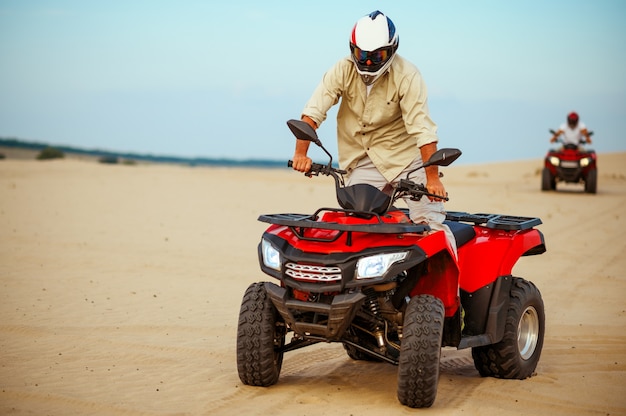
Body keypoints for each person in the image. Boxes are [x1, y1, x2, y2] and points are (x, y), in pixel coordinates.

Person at [290, 10, 457, 255]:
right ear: (352, 49)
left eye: (377, 55)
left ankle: (450, 289)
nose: (368, 61)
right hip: (361, 160)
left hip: (406, 160)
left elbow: (422, 129)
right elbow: (313, 112)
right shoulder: (342, 69)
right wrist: (300, 154)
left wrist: (432, 179)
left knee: (430, 226)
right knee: (355, 229)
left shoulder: (408, 75)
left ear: (391, 50)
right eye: (362, 54)